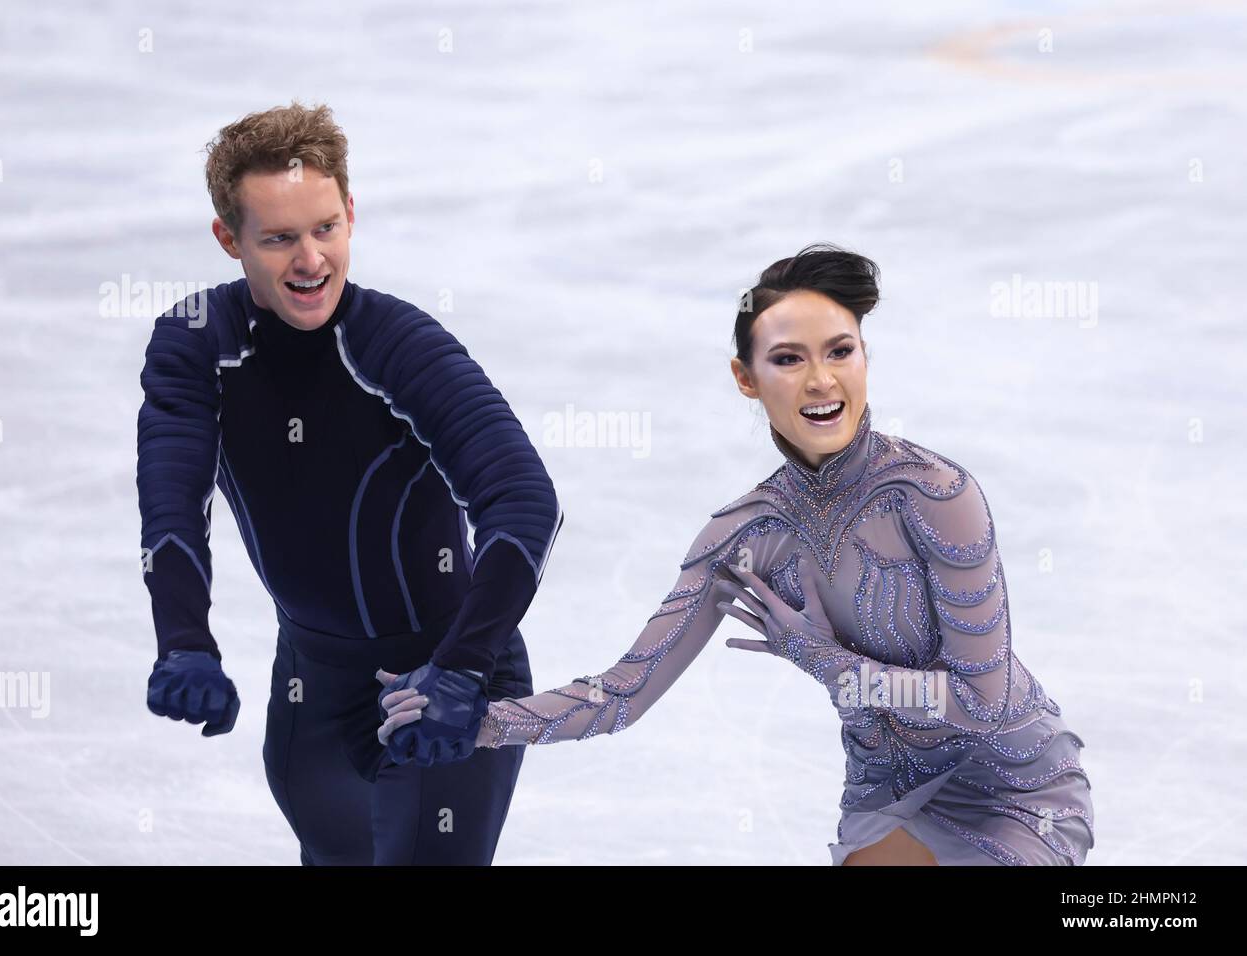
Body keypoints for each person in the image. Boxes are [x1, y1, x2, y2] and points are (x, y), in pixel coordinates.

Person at [381, 243, 1095, 866]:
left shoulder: (934, 496)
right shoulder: (745, 535)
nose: (822, 381)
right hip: (888, 791)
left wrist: (826, 662)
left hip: (1012, 781)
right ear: (746, 378)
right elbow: (624, 694)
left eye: (840, 351)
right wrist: (482, 722)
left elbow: (982, 701)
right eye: (789, 359)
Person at [137, 101, 562, 865]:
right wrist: (184, 643)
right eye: (279, 239)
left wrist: (463, 670)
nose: (310, 261)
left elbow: (524, 501)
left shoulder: (399, 346)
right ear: (228, 239)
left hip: (448, 677)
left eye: (325, 228)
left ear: (351, 212)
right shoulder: (196, 342)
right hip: (311, 690)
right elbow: (173, 503)